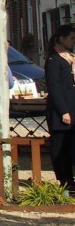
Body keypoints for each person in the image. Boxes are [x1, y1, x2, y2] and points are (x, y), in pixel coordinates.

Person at [44, 24, 75, 191]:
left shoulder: (70, 59)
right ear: (62, 39)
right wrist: (63, 111)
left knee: (69, 146)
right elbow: (54, 87)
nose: (73, 42)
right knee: (59, 146)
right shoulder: (54, 60)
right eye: (71, 38)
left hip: (72, 107)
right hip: (61, 111)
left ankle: (70, 179)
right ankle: (64, 180)